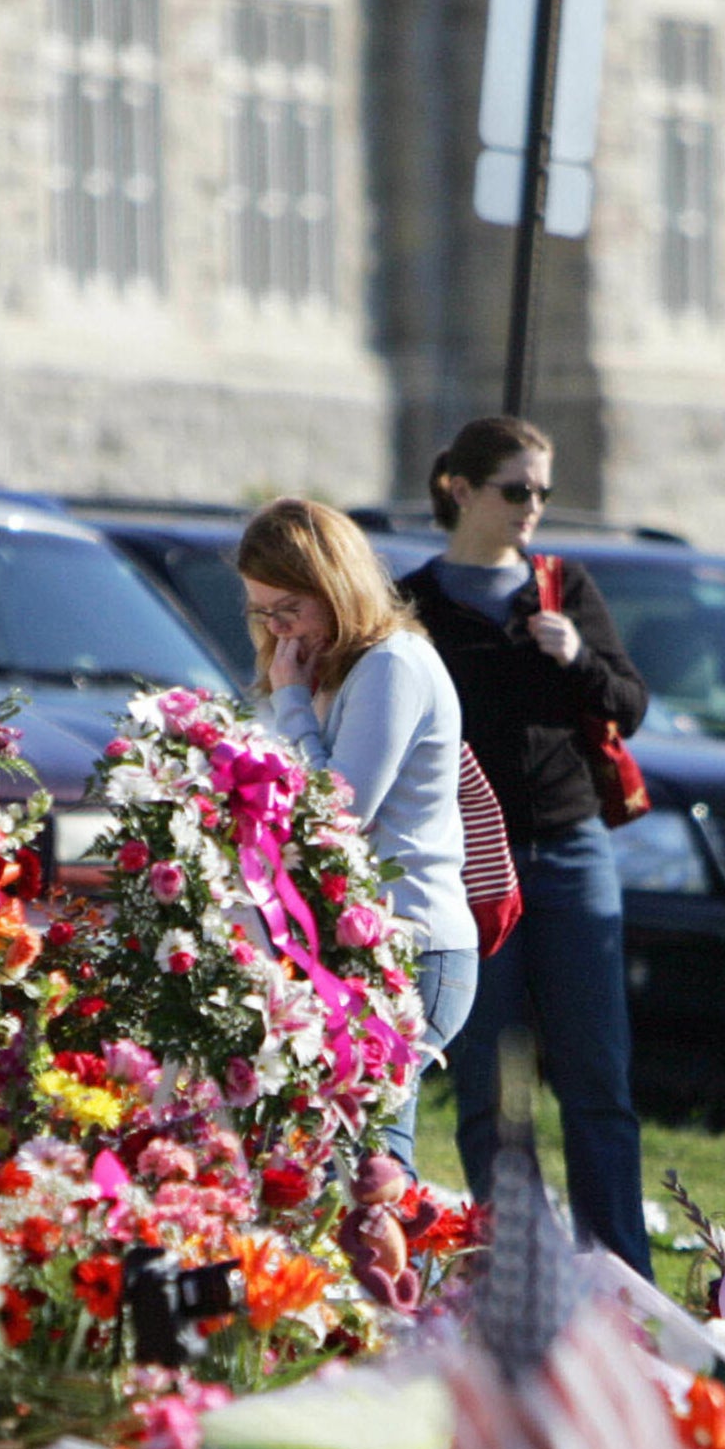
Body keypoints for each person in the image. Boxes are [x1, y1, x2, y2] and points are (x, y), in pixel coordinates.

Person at [398, 417, 654, 1270]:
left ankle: (619, 1271)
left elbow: (630, 699)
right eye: (516, 490)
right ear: (461, 490)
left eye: (542, 491)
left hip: (570, 847)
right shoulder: (416, 604)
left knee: (597, 1080)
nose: (532, 507)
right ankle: (519, 1266)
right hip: (467, 862)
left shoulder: (561, 586)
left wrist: (578, 654)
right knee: (489, 1084)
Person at [237, 498, 476, 1172]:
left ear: (335, 587)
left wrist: (290, 702)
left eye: (288, 607)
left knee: (372, 1165)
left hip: (414, 946)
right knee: (346, 1162)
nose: (278, 629)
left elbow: (335, 816)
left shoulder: (391, 666)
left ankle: (419, 1279)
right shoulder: (322, 667)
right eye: (261, 612)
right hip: (355, 943)